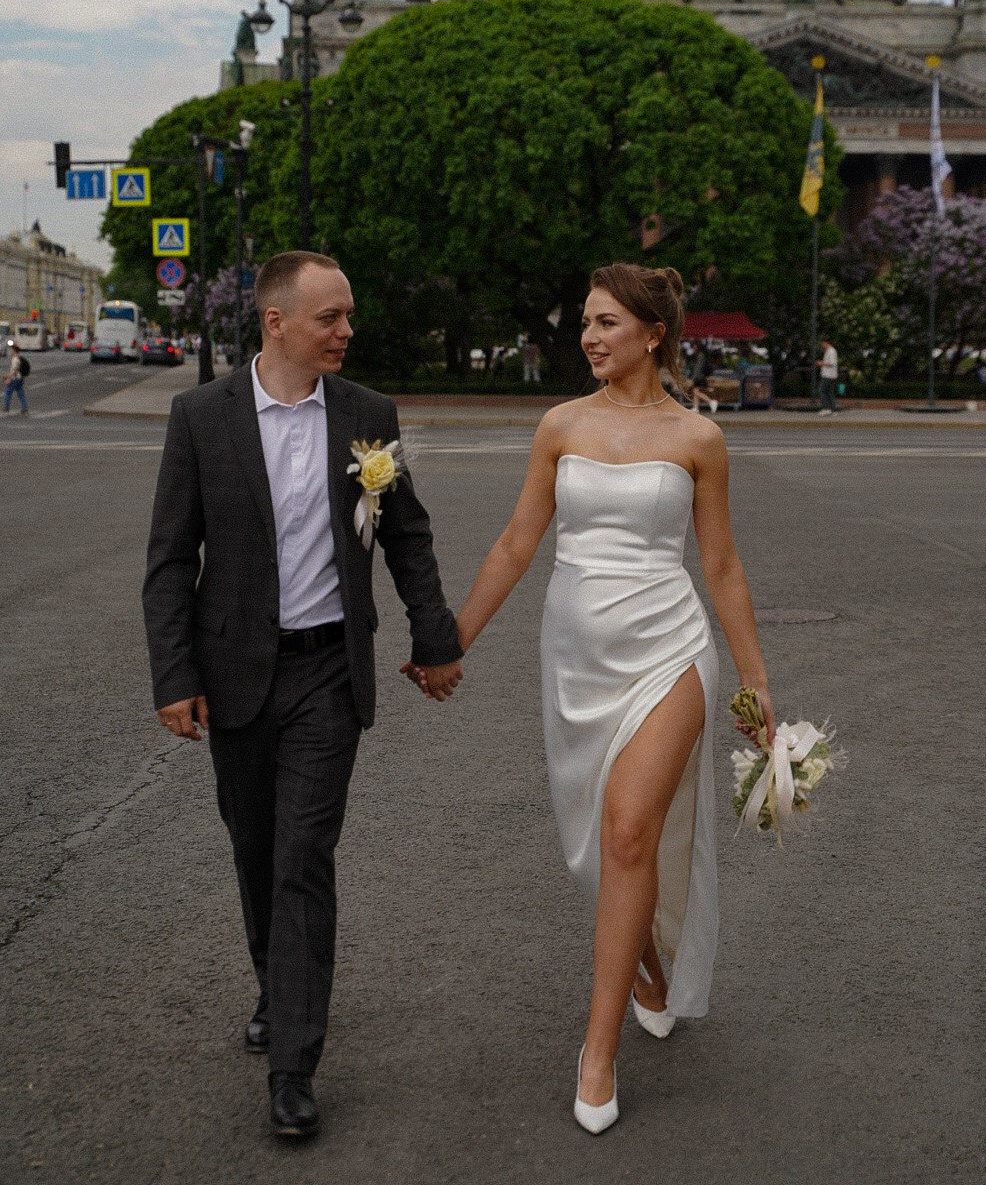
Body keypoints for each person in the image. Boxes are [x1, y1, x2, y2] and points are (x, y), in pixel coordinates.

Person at [414, 263, 775, 1134]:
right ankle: (644, 962)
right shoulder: (559, 425)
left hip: (669, 650)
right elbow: (514, 543)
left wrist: (757, 680)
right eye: (586, 322)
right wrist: (450, 640)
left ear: (654, 334)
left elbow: (720, 565)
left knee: (627, 832)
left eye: (608, 322)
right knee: (596, 847)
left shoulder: (699, 440)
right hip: (576, 656)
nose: (589, 336)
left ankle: (598, 1049)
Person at [143, 251, 462, 1142]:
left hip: (329, 669)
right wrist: (175, 677)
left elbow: (406, 533)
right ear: (276, 322)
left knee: (301, 857)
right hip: (235, 670)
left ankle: (293, 1062)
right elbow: (171, 559)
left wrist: (434, 640)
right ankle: (273, 985)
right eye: (330, 317)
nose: (347, 331)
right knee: (255, 851)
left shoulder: (368, 416)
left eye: (349, 316)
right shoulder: (200, 417)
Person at [3, 341, 29, 416]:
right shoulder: (18, 358)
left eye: (11, 350)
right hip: (19, 378)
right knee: (21, 393)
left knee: (8, 393)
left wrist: (8, 377)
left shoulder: (15, 359)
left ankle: (6, 408)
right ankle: (25, 408)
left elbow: (15, 370)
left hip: (15, 379)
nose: (10, 351)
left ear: (14, 350)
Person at [818, 338, 839, 414]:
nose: (822, 345)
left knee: (822, 391)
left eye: (822, 343)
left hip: (828, 375)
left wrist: (822, 363)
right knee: (829, 392)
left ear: (826, 343)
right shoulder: (829, 351)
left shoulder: (831, 351)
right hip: (829, 375)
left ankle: (826, 408)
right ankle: (833, 410)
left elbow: (832, 363)